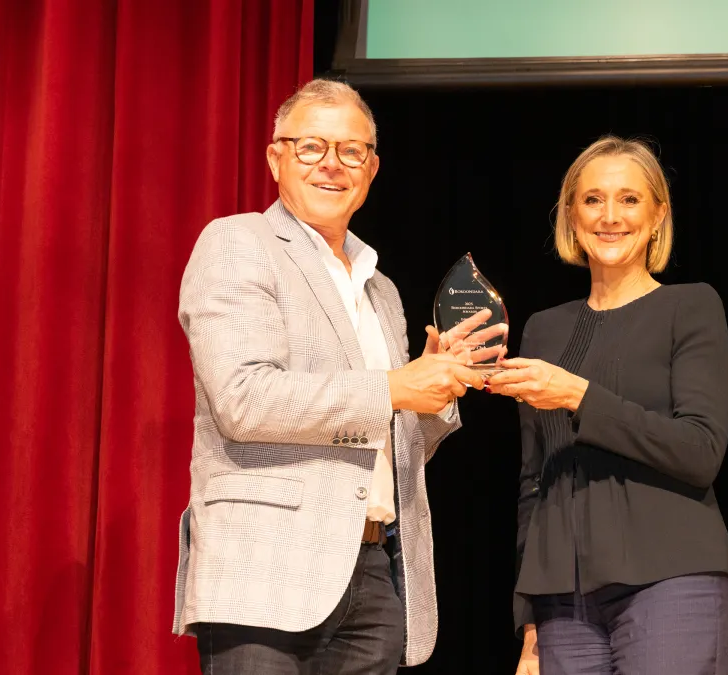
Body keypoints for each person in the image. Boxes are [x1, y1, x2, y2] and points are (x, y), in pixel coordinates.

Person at [172, 78, 497, 675]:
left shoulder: (382, 289)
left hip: (373, 570)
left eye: (352, 151)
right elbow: (243, 400)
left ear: (372, 169)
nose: (332, 165)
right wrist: (396, 387)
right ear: (276, 158)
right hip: (264, 572)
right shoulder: (237, 243)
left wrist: (439, 386)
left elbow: (393, 444)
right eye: (311, 147)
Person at [486, 136, 728, 675]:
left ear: (657, 215)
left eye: (629, 199)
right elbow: (535, 480)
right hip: (562, 604)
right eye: (593, 199)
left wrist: (579, 396)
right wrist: (528, 618)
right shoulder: (544, 328)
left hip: (671, 580)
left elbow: (700, 451)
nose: (610, 216)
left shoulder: (690, 306)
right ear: (571, 215)